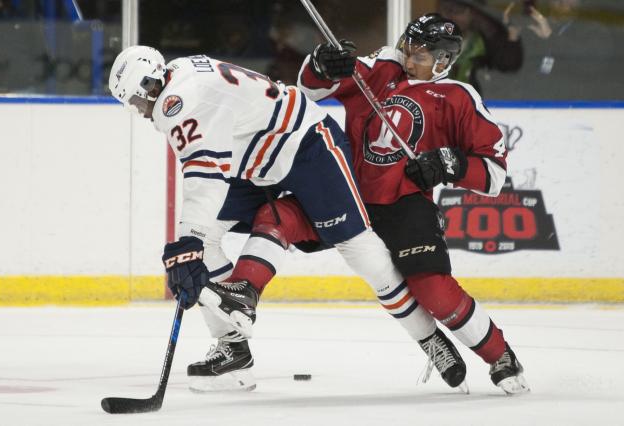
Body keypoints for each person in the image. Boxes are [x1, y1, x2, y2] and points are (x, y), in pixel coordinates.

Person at [108, 45, 466, 392]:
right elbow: (215, 159)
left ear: (151, 85)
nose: (139, 111)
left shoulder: (176, 104)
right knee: (205, 238)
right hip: (259, 161)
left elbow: (205, 177)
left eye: (138, 101)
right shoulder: (182, 70)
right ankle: (233, 346)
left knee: (360, 249)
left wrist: (187, 241)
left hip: (306, 144)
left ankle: (429, 337)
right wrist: (192, 242)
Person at [291, 13, 530, 394]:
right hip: (350, 195)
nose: (407, 55)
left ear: (443, 60)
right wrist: (322, 64)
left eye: (418, 53)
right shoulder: (383, 66)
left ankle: (500, 355)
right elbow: (309, 88)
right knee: (280, 218)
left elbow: (494, 176)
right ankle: (236, 323)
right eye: (407, 45)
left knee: (433, 290)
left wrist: (448, 165)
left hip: (405, 203)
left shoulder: (457, 97)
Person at [437, 0, 523, 94]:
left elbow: (508, 65)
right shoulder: (431, 43)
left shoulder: (483, 44)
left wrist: (512, 38)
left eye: (458, 11)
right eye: (446, 10)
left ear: (473, 13)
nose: (451, 17)